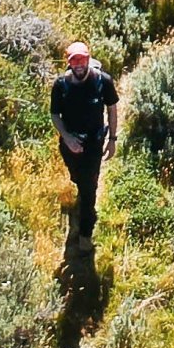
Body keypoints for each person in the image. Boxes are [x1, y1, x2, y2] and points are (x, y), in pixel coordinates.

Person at [50, 40, 118, 251]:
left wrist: (112, 139)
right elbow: (55, 114)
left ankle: (84, 235)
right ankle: (82, 188)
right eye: (74, 61)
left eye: (82, 60)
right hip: (69, 144)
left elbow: (112, 109)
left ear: (88, 59)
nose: (79, 65)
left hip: (93, 144)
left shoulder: (103, 81)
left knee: (90, 188)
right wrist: (67, 138)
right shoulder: (61, 85)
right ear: (68, 62)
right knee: (78, 179)